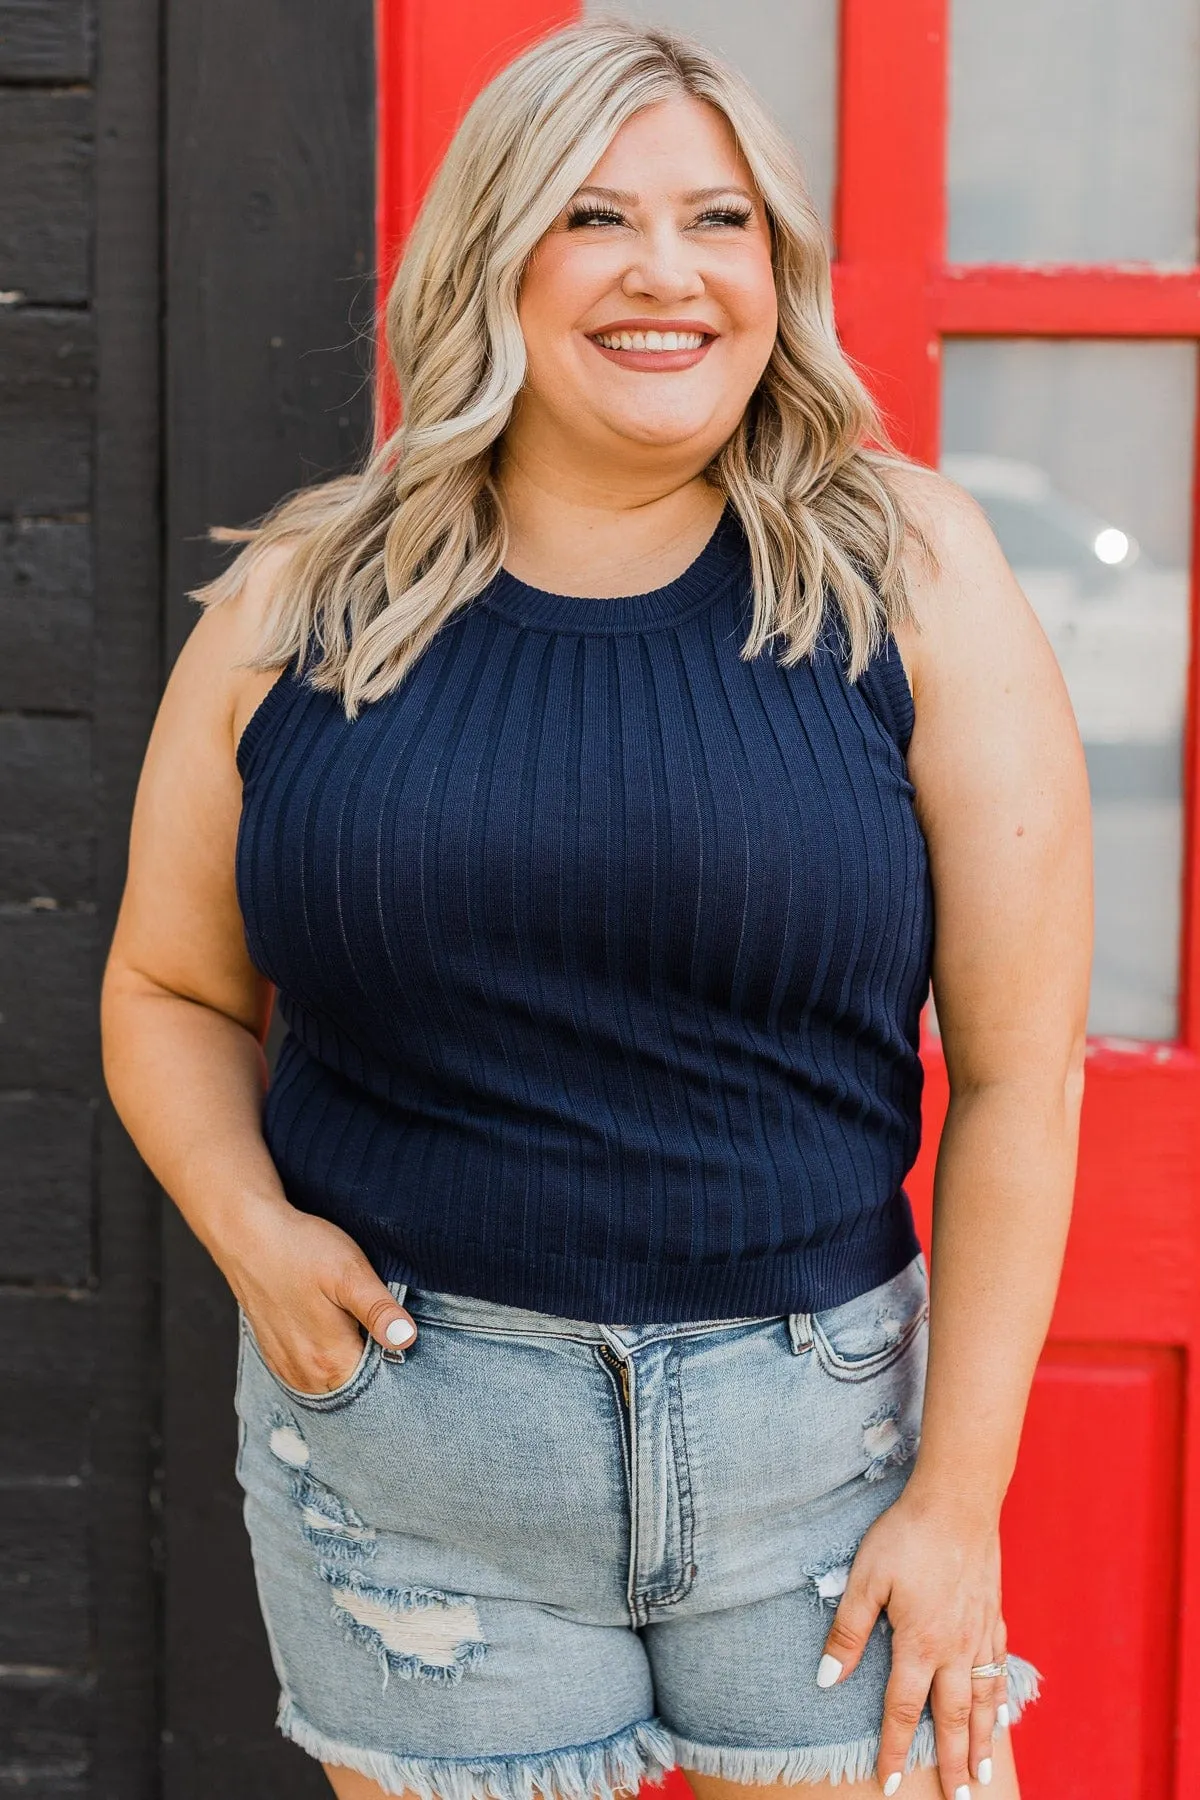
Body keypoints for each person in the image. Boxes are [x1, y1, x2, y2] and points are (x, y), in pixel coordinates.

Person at [100, 19, 1091, 1800]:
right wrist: (251, 1227)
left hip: (822, 1448)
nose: (667, 273)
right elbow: (170, 985)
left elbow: (1022, 1078)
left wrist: (958, 1500)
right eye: (593, 217)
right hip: (415, 1460)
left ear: (775, 269)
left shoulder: (907, 569)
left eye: (720, 222)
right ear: (496, 256)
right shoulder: (304, 596)